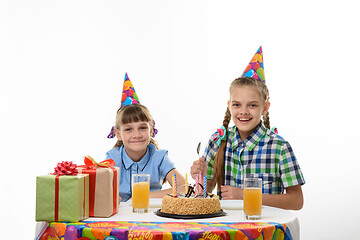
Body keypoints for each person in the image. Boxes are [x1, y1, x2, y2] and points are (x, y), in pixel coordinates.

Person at [190, 47, 305, 210]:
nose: (243, 111)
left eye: (252, 105)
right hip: (227, 229)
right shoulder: (217, 141)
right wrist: (199, 178)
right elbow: (204, 193)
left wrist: (245, 195)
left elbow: (296, 201)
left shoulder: (279, 147)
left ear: (265, 107)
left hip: (264, 229)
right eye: (237, 105)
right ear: (229, 105)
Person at [106, 73, 185, 202]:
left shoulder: (159, 157)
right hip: (121, 218)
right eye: (128, 129)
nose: (136, 135)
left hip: (151, 216)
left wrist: (142, 197)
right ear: (118, 134)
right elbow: (97, 191)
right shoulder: (112, 159)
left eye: (142, 128)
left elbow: (184, 188)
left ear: (151, 129)